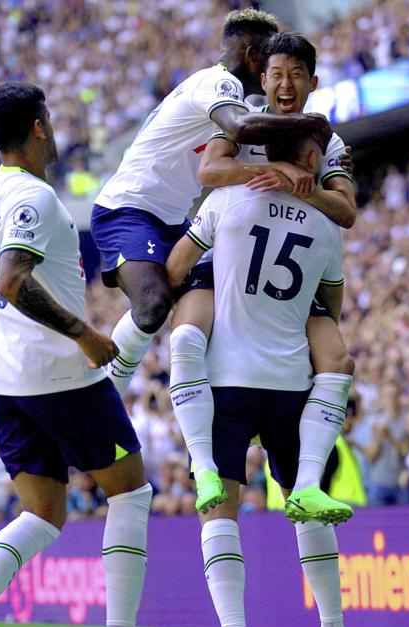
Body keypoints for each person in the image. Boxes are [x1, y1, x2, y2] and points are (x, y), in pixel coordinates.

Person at [0, 82, 191, 627]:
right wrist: (83, 331)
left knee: (42, 515)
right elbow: (11, 280)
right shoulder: (33, 197)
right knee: (132, 492)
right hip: (61, 376)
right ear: (40, 127)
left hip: (8, 382)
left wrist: (16, 307)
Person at [166, 132, 350, 627]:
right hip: (291, 381)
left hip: (226, 379)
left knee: (220, 508)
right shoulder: (325, 223)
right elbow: (331, 302)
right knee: (303, 505)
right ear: (311, 160)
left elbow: (178, 266)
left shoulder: (229, 198)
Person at [91, 9, 331, 400]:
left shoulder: (228, 96)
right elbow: (239, 129)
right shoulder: (216, 83)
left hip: (170, 219)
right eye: (269, 61)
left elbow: (247, 146)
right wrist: (312, 123)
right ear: (254, 55)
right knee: (153, 305)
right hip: (129, 209)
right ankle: (102, 399)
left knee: (225, 301)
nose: (273, 71)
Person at [170, 31, 357, 515]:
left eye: (296, 74)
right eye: (277, 73)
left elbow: (346, 211)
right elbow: (211, 172)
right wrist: (268, 175)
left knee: (336, 357)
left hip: (290, 259)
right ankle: (202, 459)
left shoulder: (326, 139)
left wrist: (302, 189)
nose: (286, 83)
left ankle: (310, 479)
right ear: (263, 78)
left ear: (313, 81)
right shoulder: (242, 117)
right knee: (187, 335)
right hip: (229, 251)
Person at [351, 380, 406, 505]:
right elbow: (371, 457)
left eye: (394, 395)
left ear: (399, 397)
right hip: (379, 482)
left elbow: (405, 452)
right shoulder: (375, 421)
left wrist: (389, 436)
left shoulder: (406, 420)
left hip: (401, 482)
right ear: (383, 398)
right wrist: (377, 438)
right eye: (388, 395)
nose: (391, 399)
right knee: (378, 523)